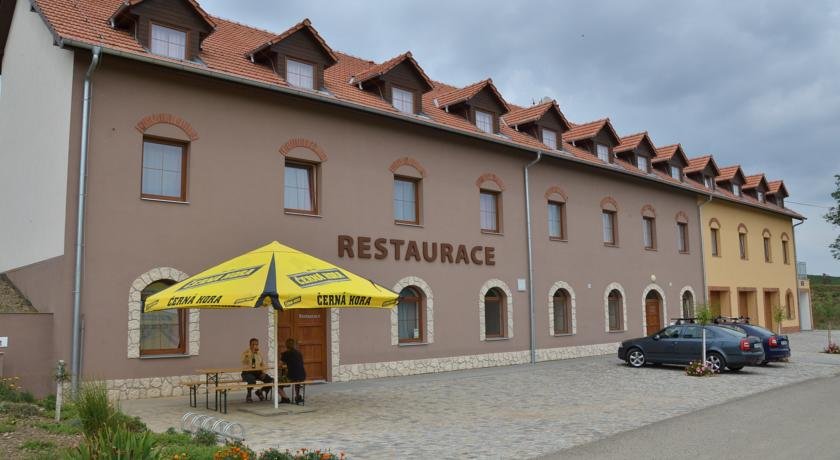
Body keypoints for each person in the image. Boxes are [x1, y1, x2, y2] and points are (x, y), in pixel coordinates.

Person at [240, 338, 273, 403]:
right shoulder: (246, 353)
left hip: (257, 372)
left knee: (270, 380)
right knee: (251, 379)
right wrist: (251, 353)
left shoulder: (259, 353)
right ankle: (249, 396)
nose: (255, 346)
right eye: (253, 344)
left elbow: (263, 364)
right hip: (247, 372)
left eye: (256, 344)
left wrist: (263, 372)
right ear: (250, 345)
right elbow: (244, 362)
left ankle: (259, 392)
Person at [279, 338, 306, 404]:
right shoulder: (299, 353)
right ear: (294, 345)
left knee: (276, 382)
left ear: (286, 345)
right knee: (297, 380)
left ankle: (285, 398)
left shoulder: (285, 354)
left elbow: (280, 365)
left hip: (291, 377)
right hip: (302, 375)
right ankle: (297, 396)